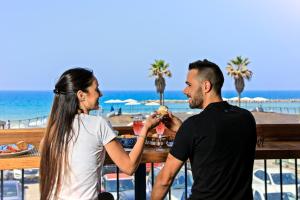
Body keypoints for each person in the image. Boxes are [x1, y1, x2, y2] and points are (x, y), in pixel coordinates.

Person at [40, 68, 159, 200]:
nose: (100, 94)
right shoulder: (98, 124)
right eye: (96, 89)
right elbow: (129, 167)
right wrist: (145, 129)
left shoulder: (53, 129)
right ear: (81, 95)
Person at [151, 59, 257, 200]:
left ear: (206, 86)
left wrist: (185, 131)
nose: (185, 91)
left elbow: (165, 179)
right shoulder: (246, 118)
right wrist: (182, 130)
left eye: (189, 85)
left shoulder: (194, 126)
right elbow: (214, 140)